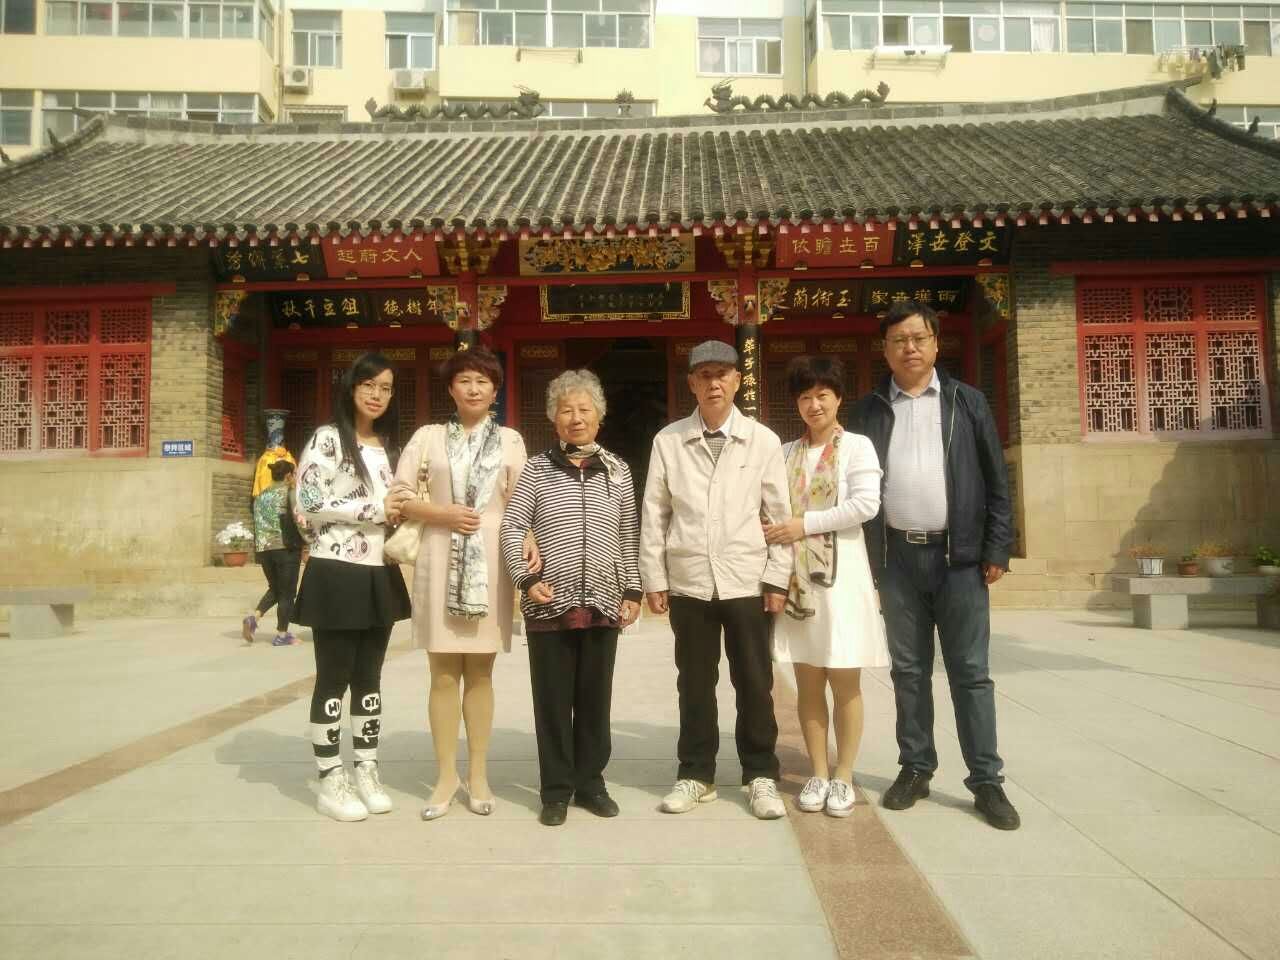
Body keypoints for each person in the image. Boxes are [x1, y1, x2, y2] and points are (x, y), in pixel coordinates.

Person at [849, 300, 1019, 831]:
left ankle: (986, 780)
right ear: (885, 350)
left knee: (971, 673)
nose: (910, 348)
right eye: (899, 340)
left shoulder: (967, 402)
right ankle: (916, 767)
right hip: (897, 559)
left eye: (919, 338)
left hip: (959, 559)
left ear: (936, 343)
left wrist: (996, 547)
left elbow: (996, 479)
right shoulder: (868, 410)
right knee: (908, 671)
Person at [640, 339, 793, 821]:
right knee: (694, 683)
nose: (713, 383)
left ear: (737, 380)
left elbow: (778, 514)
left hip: (747, 578)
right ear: (691, 383)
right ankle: (696, 773)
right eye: (703, 375)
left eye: (722, 374)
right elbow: (654, 513)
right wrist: (654, 576)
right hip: (689, 580)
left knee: (755, 682)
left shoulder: (762, 441)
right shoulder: (668, 441)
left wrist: (777, 578)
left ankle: (760, 773)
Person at [385, 348, 527, 821]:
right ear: (450, 389)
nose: (473, 388)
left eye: (483, 381)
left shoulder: (510, 440)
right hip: (440, 554)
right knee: (443, 673)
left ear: (495, 390)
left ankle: (478, 773)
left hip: (491, 558)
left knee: (481, 673)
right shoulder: (427, 438)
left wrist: (530, 541)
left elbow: (523, 503)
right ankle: (446, 775)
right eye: (464, 380)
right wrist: (442, 513)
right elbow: (400, 496)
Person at [499, 369, 642, 827]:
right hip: (548, 601)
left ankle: (591, 783)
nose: (576, 418)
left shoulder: (618, 470)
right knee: (553, 702)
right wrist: (525, 579)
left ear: (599, 416)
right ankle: (556, 790)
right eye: (566, 410)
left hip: (604, 599)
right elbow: (511, 525)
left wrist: (632, 589)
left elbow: (628, 534)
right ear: (553, 418)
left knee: (596, 700)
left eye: (584, 410)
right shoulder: (536, 469)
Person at [764, 355, 888, 818]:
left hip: (842, 581)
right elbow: (771, 508)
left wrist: (805, 524)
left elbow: (865, 505)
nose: (814, 405)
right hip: (797, 583)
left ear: (838, 398)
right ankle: (818, 771)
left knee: (844, 678)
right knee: (808, 679)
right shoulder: (785, 453)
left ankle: (844, 776)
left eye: (822, 395)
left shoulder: (857, 447)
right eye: (805, 397)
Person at [293, 351, 411, 822]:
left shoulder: (388, 447)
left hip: (379, 571)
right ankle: (330, 778)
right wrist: (376, 511)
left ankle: (366, 768)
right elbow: (309, 500)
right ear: (351, 388)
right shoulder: (327, 439)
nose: (377, 395)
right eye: (368, 385)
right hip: (336, 571)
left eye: (386, 388)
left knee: (369, 677)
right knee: (334, 677)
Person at [242, 458, 304, 646]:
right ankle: (282, 635)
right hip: (285, 548)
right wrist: (308, 542)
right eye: (294, 474)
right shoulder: (290, 493)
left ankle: (254, 618)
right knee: (287, 593)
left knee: (276, 589)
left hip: (264, 550)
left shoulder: (260, 496)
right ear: (288, 475)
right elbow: (300, 519)